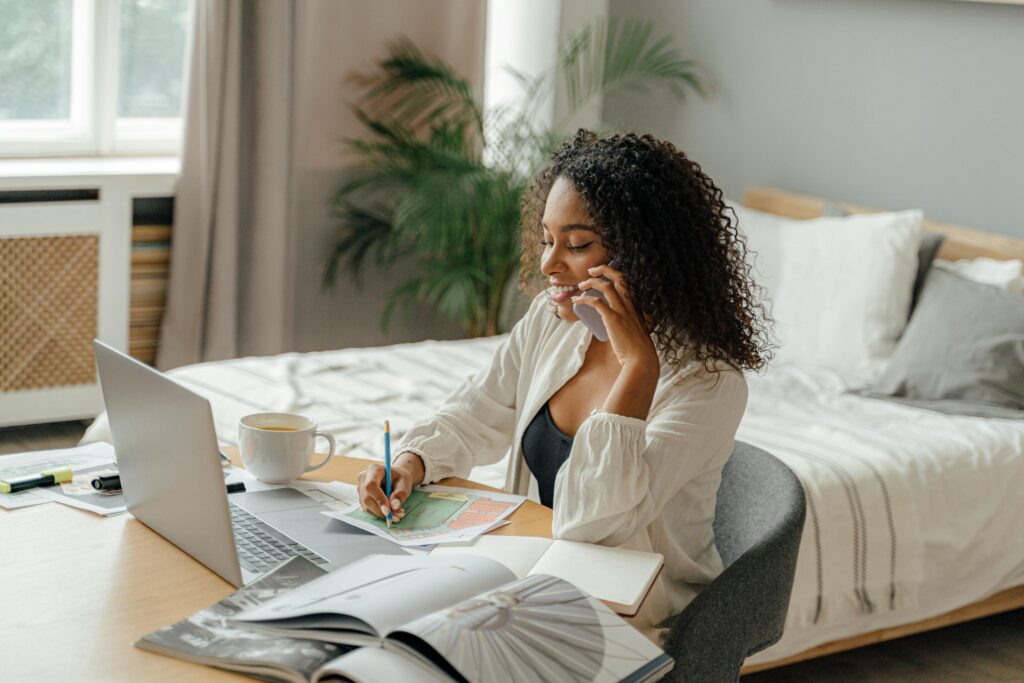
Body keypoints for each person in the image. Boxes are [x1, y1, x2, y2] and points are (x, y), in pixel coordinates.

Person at [356, 129, 771, 640]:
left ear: (644, 253)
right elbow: (477, 412)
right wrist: (410, 462)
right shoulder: (552, 322)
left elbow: (593, 525)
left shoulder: (707, 383)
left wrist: (638, 368)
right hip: (536, 583)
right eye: (547, 239)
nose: (549, 264)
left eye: (576, 245)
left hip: (635, 618)